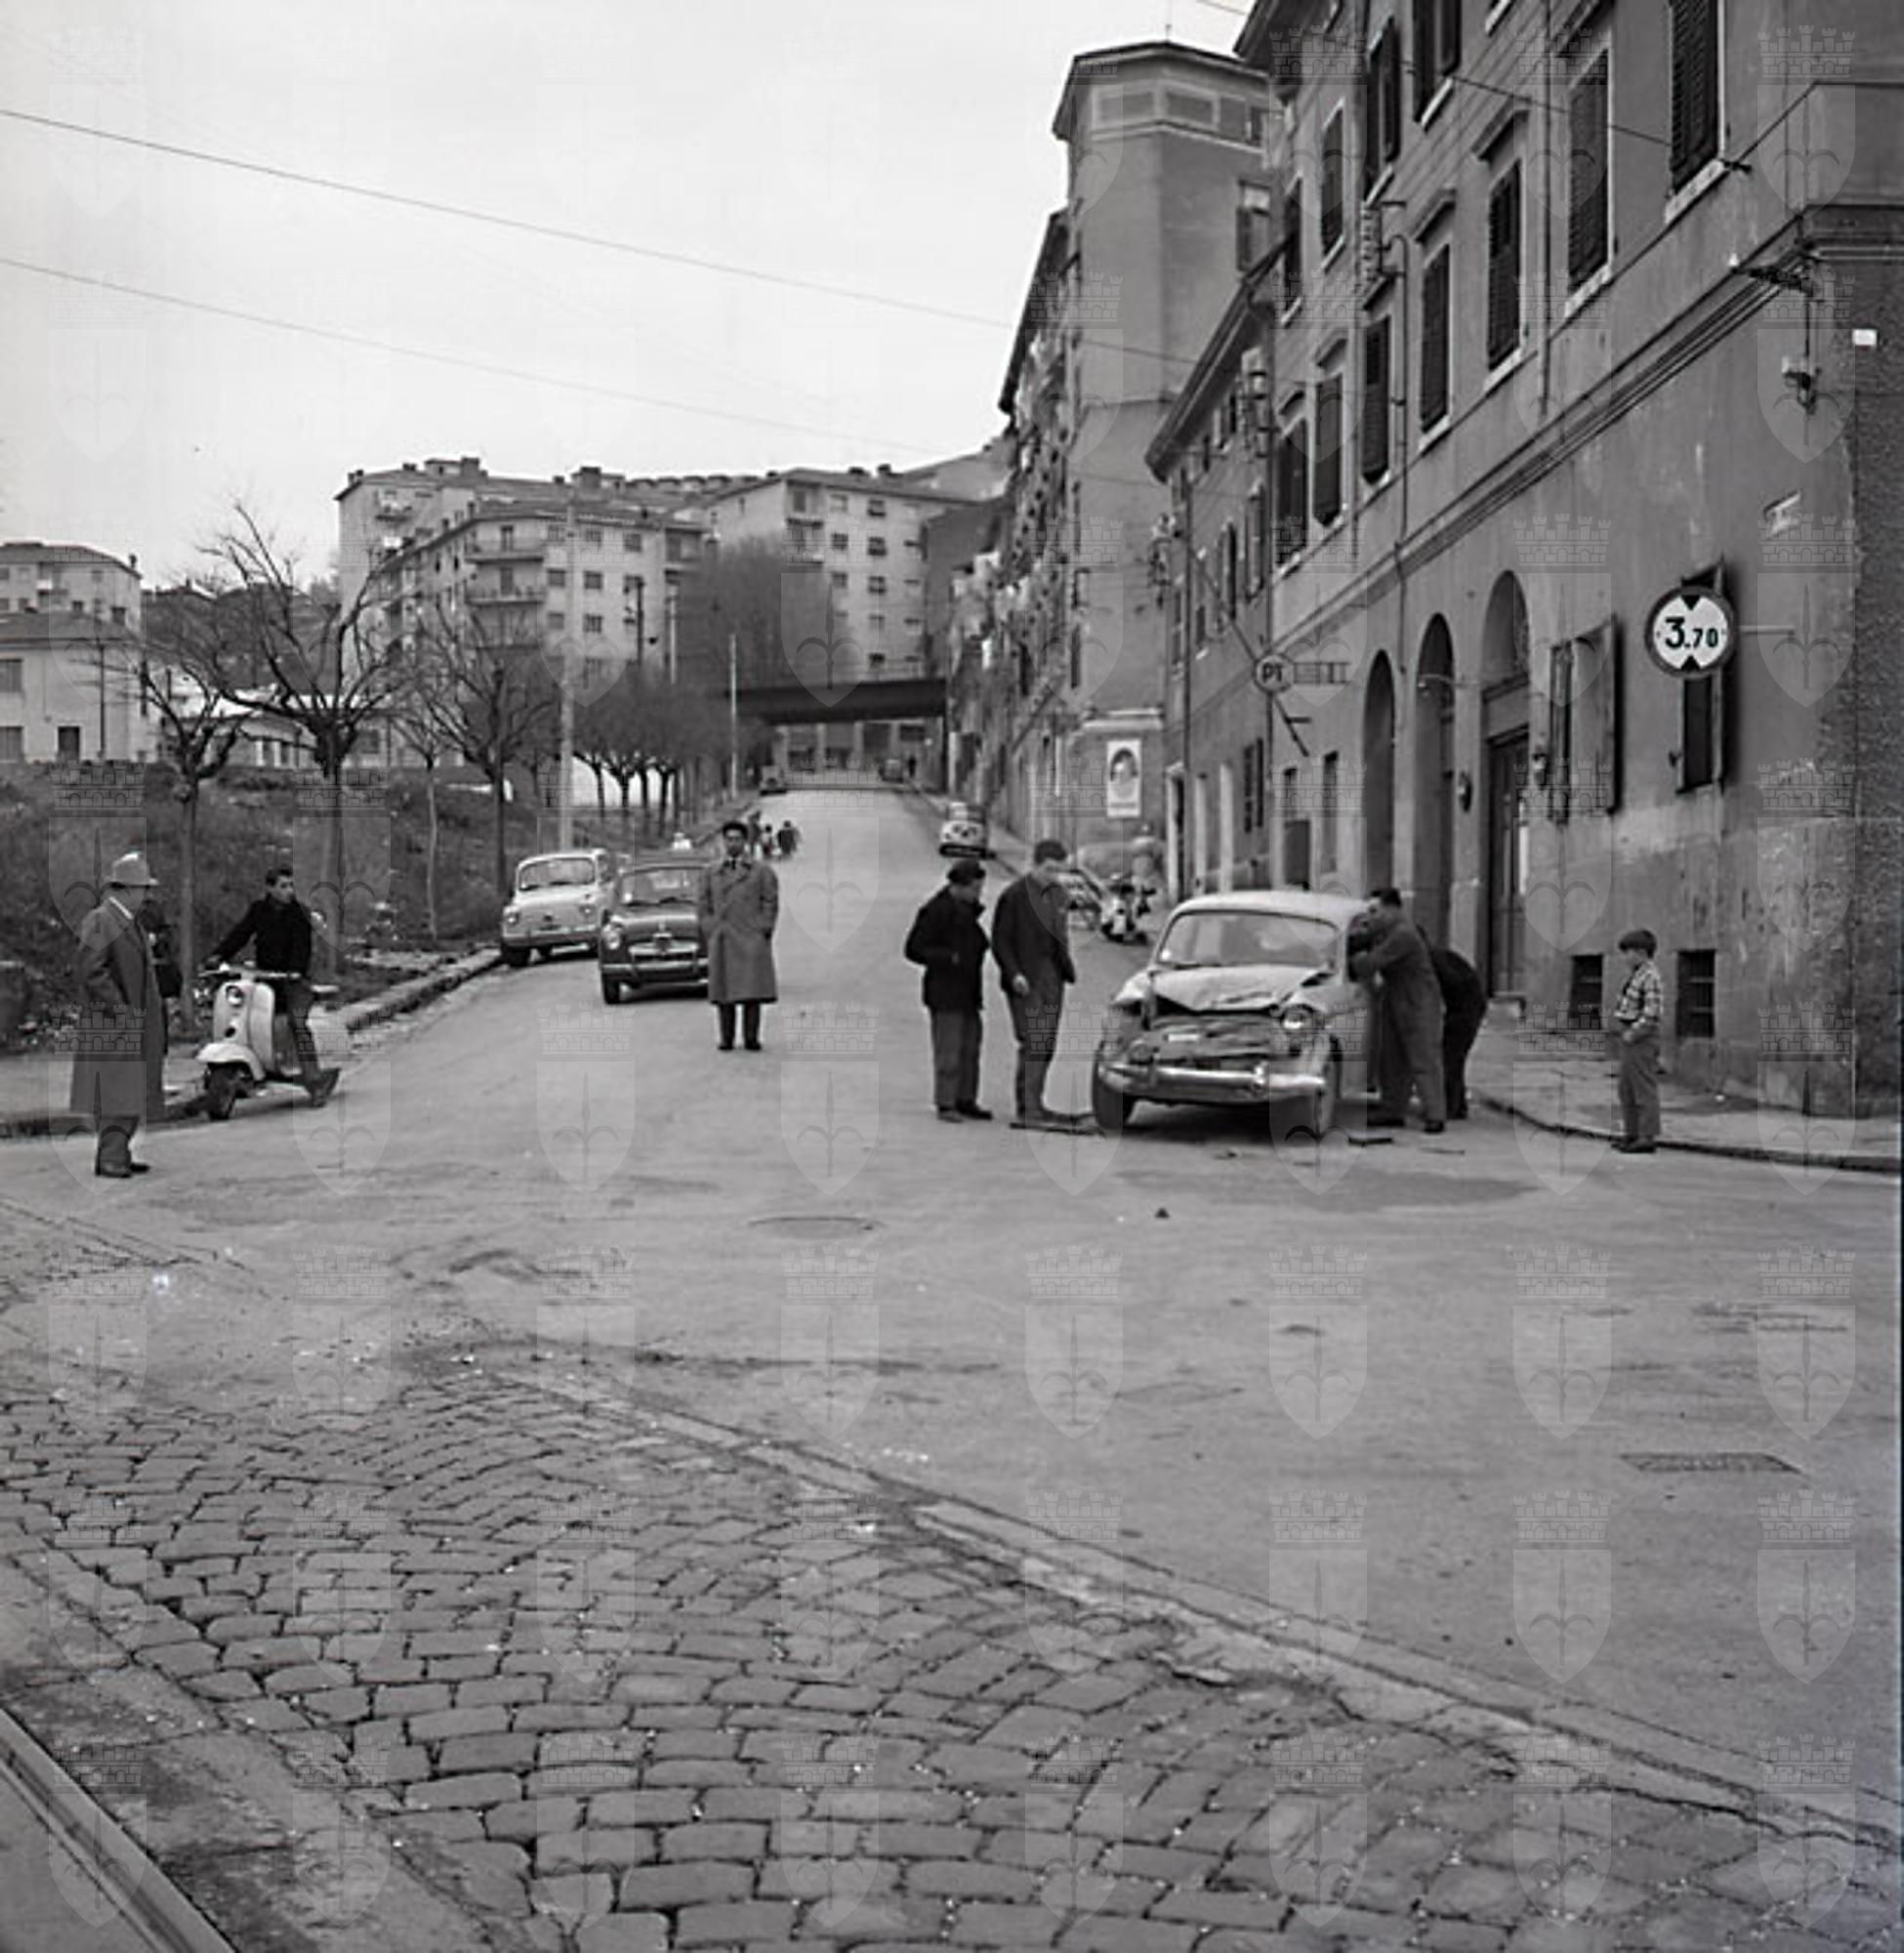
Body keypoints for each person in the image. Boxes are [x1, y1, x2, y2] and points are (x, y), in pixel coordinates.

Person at [69, 852, 166, 1179]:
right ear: (126, 889)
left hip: (126, 1022)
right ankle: (111, 1156)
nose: (146, 896)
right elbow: (91, 971)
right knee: (116, 1094)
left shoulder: (127, 922)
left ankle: (118, 1151)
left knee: (129, 1091)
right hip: (113, 1023)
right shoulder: (101, 921)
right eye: (143, 889)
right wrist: (120, 1010)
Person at [214, 864, 331, 1102]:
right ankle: (243, 1067)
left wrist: (295, 971)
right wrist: (219, 956)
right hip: (266, 981)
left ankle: (314, 1081)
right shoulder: (258, 910)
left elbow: (303, 947)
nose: (289, 891)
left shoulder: (299, 913)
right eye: (283, 886)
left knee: (297, 1023)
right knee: (243, 1016)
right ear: (270, 888)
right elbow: (240, 934)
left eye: (291, 886)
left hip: (294, 983)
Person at [990, 838, 1082, 1132]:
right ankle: (1028, 1107)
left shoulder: (1059, 896)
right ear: (1034, 865)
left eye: (1059, 871)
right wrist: (1013, 973)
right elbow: (1000, 940)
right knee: (1034, 1040)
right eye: (1049, 870)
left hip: (1052, 975)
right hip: (1026, 978)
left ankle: (1035, 1103)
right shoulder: (1014, 896)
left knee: (1047, 1042)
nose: (1054, 876)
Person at [1348, 889, 1447, 1133]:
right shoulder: (1385, 932)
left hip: (1418, 1001)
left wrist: (1353, 957)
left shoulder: (1403, 934)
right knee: (1391, 1058)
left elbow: (1370, 964)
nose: (1370, 917)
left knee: (1423, 1057)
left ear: (1392, 909)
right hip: (1394, 997)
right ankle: (1392, 1109)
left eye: (1375, 911)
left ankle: (1435, 1114)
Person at [904, 858, 991, 1124]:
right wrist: (948, 958)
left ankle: (966, 1098)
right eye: (974, 888)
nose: (978, 894)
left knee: (970, 1047)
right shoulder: (935, 911)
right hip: (945, 991)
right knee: (949, 1050)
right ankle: (946, 1101)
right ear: (958, 886)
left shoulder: (968, 910)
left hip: (969, 990)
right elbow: (913, 949)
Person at [698, 818, 779, 1052]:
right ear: (723, 842)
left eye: (737, 839)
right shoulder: (711, 872)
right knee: (724, 993)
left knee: (752, 991)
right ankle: (727, 1038)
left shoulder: (761, 871)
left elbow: (770, 902)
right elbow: (703, 904)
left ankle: (751, 1037)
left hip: (751, 936)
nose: (732, 844)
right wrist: (711, 928)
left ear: (745, 842)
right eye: (729, 839)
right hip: (723, 937)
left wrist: (763, 928)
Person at [1612, 927, 1664, 1153]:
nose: (1625, 957)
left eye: (1628, 952)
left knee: (1643, 1087)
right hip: (1629, 1034)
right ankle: (1631, 1133)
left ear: (1641, 953)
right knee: (1626, 1088)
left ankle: (1646, 1136)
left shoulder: (1650, 976)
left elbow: (1652, 1012)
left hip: (1641, 1037)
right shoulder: (1637, 974)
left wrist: (1634, 1032)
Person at [1428, 937, 1487, 1120]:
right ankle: (1458, 1105)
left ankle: (1451, 1106)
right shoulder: (1439, 956)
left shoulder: (1434, 960)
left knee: (1449, 1058)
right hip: (1467, 1006)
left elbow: (1452, 981)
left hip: (1464, 1009)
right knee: (1454, 1058)